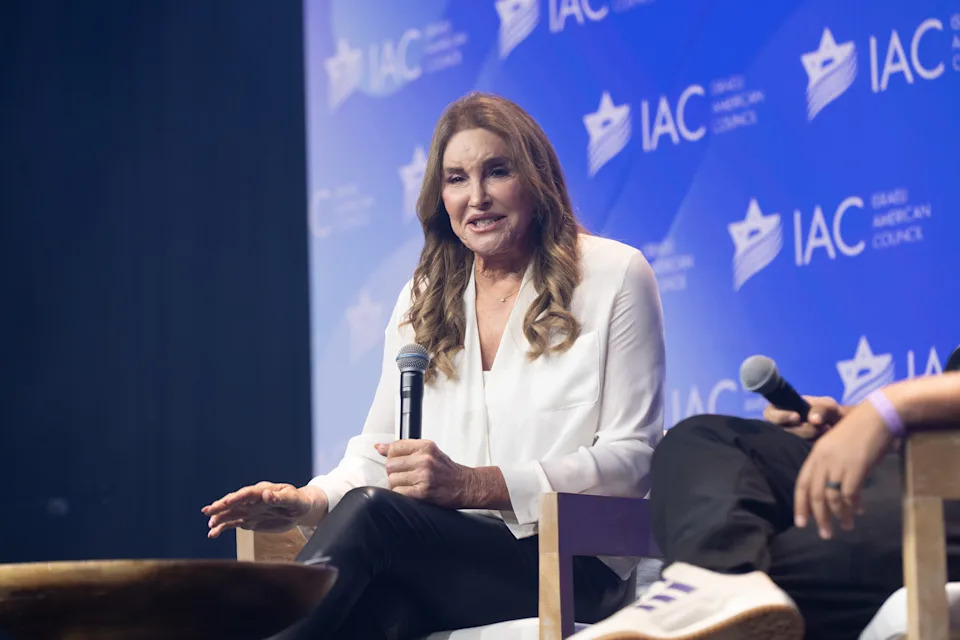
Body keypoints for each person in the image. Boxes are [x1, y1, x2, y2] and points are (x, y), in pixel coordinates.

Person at [202, 92, 666, 640]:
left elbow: (633, 458)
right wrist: (308, 501)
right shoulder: (424, 297)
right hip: (444, 562)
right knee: (379, 614)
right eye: (456, 179)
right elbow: (380, 452)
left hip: (572, 565)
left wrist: (479, 485)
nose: (477, 198)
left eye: (497, 172)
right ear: (438, 195)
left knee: (377, 518)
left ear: (536, 180)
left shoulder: (614, 275)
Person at [573, 371, 960, 640]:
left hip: (944, 485)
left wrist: (889, 408)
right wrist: (852, 419)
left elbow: (898, 409)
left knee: (773, 572)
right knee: (702, 437)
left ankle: (719, 590)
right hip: (918, 450)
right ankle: (718, 582)